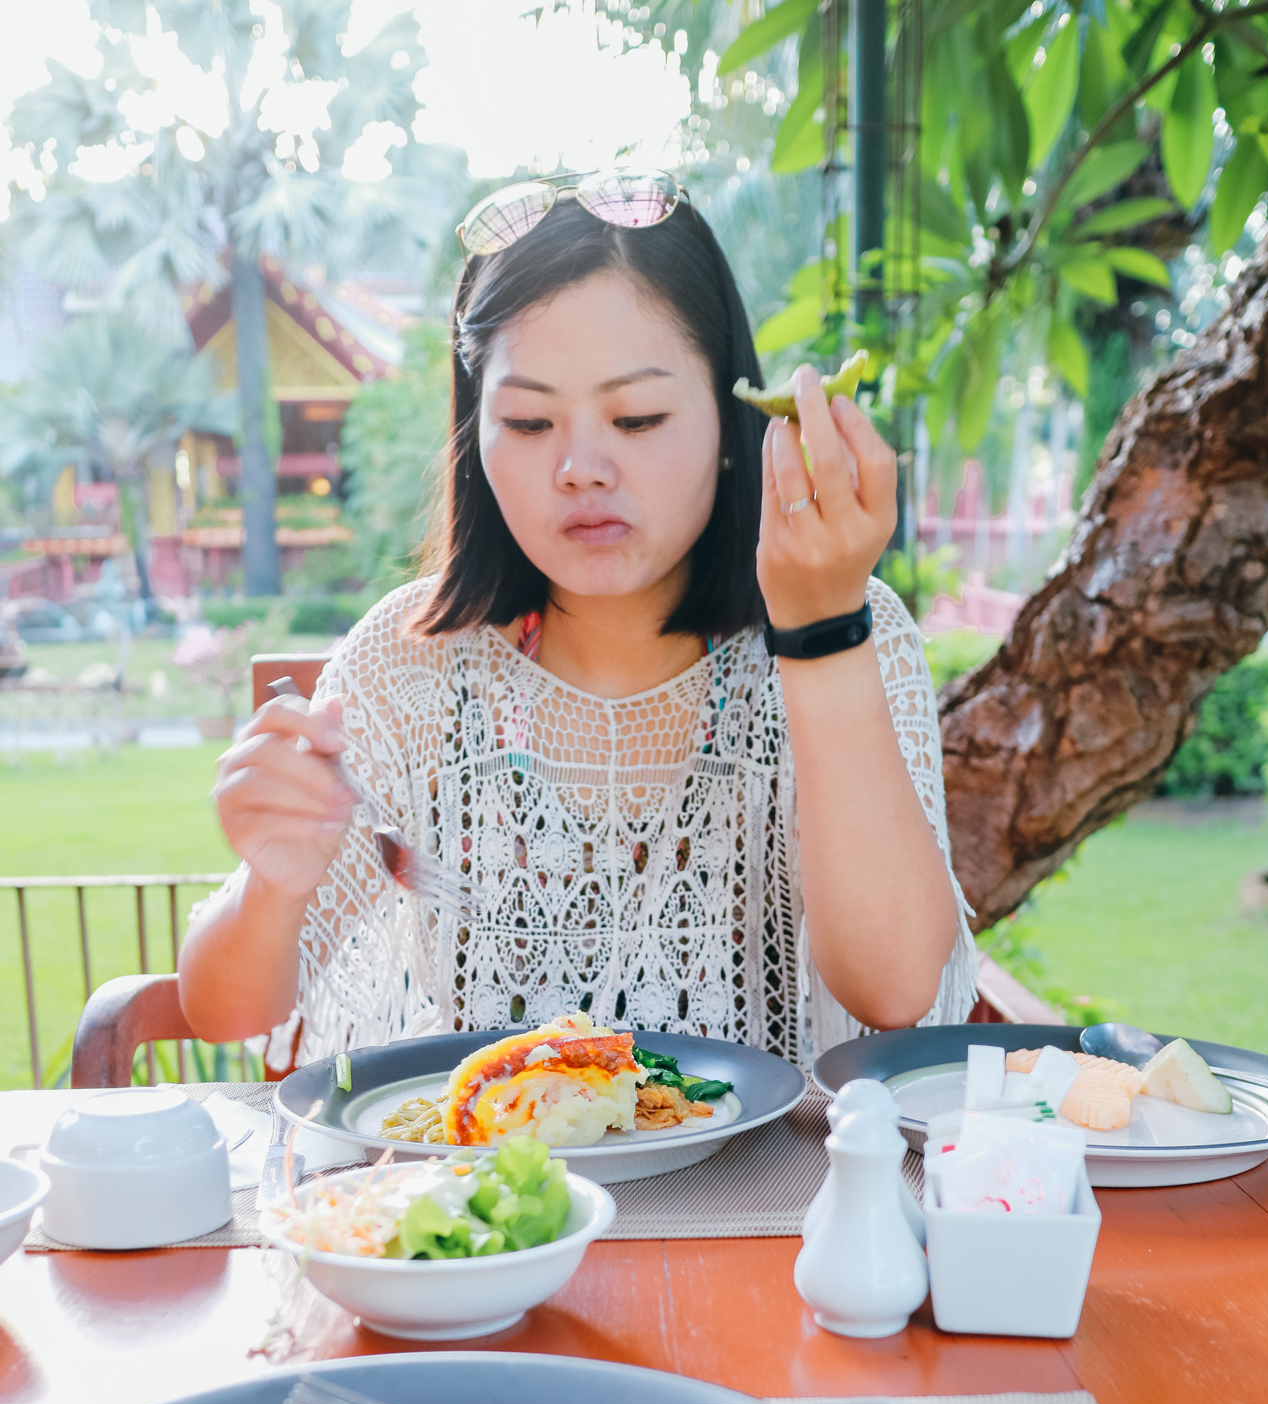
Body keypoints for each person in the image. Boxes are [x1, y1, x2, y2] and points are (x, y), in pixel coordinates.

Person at [179, 171, 976, 1069]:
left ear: (729, 418)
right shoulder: (410, 668)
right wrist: (272, 888)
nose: (581, 467)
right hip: (489, 1201)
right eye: (527, 422)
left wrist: (820, 626)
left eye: (636, 418)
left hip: (766, 1204)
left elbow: (896, 987)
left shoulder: (849, 623)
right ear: (474, 433)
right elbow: (225, 1011)